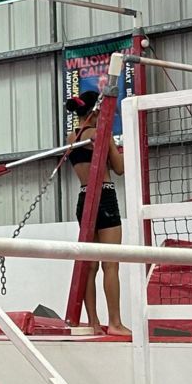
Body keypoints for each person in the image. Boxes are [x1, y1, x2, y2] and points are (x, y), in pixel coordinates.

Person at [64, 89, 127, 338]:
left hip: (84, 197)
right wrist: (118, 147)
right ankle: (115, 322)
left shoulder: (72, 137)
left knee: (89, 266)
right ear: (96, 112)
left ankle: (93, 321)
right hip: (105, 196)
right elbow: (120, 169)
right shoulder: (102, 135)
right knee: (110, 264)